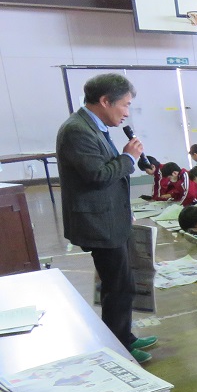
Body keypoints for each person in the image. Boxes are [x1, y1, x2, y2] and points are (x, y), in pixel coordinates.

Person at [55, 73, 157, 363]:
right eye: (125, 105)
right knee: (118, 286)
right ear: (104, 101)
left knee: (122, 282)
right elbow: (98, 175)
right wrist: (129, 158)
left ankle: (124, 335)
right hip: (98, 222)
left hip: (111, 217)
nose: (126, 113)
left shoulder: (94, 127)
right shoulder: (77, 130)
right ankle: (118, 346)